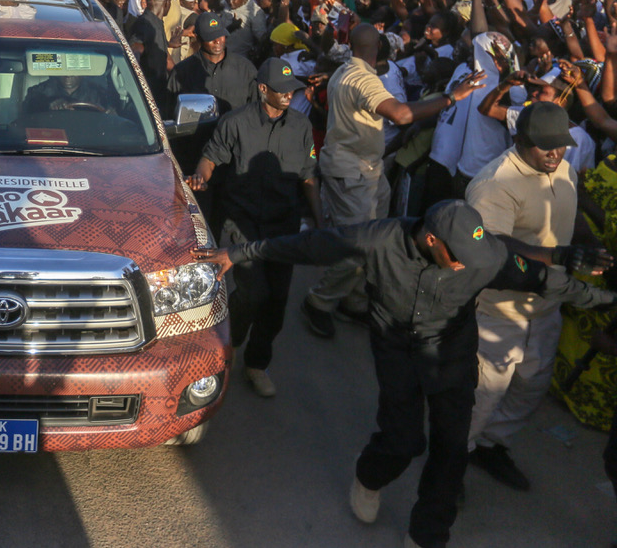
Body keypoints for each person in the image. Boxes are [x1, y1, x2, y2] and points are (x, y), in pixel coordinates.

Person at [195, 199, 616, 548]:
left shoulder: (483, 256)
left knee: (452, 448)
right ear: (431, 239)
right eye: (457, 257)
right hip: (396, 349)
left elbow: (543, 281)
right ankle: (369, 475)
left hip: (452, 354)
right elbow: (309, 245)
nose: (464, 266)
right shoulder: (376, 238)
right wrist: (238, 253)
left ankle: (427, 535)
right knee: (403, 440)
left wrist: (604, 300)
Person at [302, 24, 485, 339]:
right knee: (359, 245)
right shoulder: (362, 79)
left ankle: (353, 300)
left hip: (365, 168)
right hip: (353, 172)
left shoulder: (344, 69)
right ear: (380, 51)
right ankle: (319, 301)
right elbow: (400, 115)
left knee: (375, 239)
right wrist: (451, 97)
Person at [464, 102, 585, 490]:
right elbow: (491, 247)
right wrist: (556, 256)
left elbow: (569, 215)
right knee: (480, 400)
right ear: (518, 139)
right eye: (545, 146)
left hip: (545, 309)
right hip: (500, 314)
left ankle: (489, 447)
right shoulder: (494, 183)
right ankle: (451, 463)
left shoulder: (563, 169)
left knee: (530, 386)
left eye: (561, 145)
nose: (555, 153)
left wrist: (591, 249)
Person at [189, 58, 321, 396]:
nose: (290, 95)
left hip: (284, 227)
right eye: (282, 90)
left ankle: (257, 364)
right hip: (243, 223)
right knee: (253, 292)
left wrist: (319, 220)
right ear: (263, 89)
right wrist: (200, 177)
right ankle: (230, 342)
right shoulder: (235, 123)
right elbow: (211, 157)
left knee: (276, 302)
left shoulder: (302, 126)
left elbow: (307, 176)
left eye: (293, 89)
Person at [175, 11, 258, 115]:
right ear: (198, 37)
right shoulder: (182, 72)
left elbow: (256, 110)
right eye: (211, 37)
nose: (218, 41)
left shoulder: (246, 69)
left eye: (220, 35)